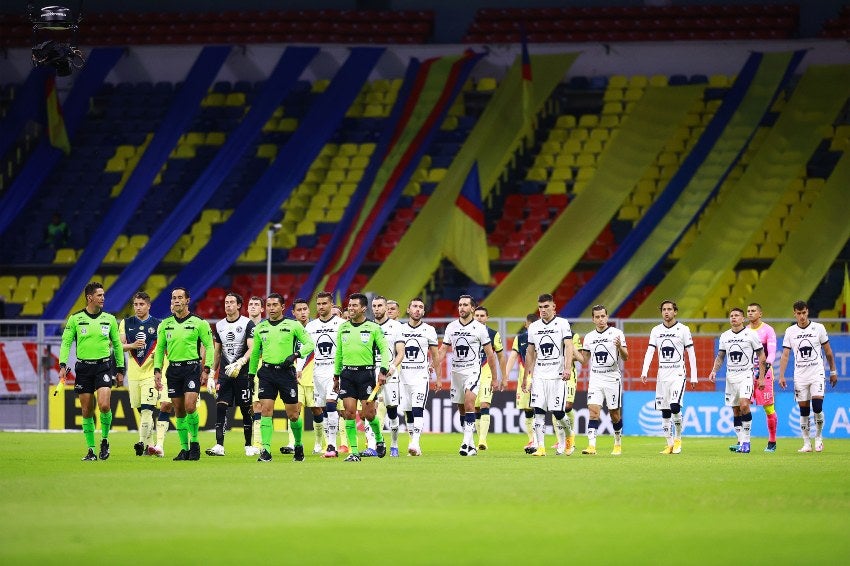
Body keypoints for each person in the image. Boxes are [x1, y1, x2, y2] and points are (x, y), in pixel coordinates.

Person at [59, 281, 124, 461]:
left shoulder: (109, 319)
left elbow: (117, 345)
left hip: (103, 366)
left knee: (104, 405)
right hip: (84, 368)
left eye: (103, 295)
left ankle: (104, 440)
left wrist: (120, 369)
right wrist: (62, 365)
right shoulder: (75, 319)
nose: (103, 298)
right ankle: (91, 449)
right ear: (90, 297)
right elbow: (65, 343)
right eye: (100, 295)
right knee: (87, 410)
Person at [248, 293, 315, 462]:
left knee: (293, 415)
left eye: (274, 305)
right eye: (268, 305)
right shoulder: (260, 328)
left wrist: (295, 355)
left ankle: (298, 445)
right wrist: (250, 375)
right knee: (265, 410)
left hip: (286, 373)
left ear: (282, 307)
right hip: (267, 373)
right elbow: (255, 353)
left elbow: (310, 344)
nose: (271, 308)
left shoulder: (293, 325)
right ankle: (266, 450)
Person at [153, 287, 214, 461]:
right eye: (174, 298)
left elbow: (209, 346)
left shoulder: (199, 323)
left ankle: (194, 443)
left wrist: (207, 368)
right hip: (173, 370)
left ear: (188, 300)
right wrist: (157, 370)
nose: (176, 300)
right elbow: (159, 349)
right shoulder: (165, 324)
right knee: (178, 410)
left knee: (189, 406)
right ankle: (184, 448)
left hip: (192, 368)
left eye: (180, 297)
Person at [333, 293, 391, 462]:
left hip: (366, 375)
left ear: (364, 308)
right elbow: (339, 354)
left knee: (369, 414)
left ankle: (379, 440)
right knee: (349, 413)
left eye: (354, 306)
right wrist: (336, 376)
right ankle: (354, 452)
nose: (351, 308)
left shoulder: (373, 328)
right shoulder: (343, 328)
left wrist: (383, 371)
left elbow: (384, 350)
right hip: (347, 375)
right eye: (349, 305)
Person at [440, 294, 498, 457]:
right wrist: (434, 364)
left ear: (472, 308)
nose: (462, 308)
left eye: (465, 305)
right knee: (462, 409)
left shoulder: (480, 328)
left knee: (470, 402)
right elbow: (443, 349)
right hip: (456, 372)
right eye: (459, 305)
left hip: (473, 371)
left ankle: (465, 444)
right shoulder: (451, 327)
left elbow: (490, 354)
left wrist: (494, 378)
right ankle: (471, 444)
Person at [777, 300, 839, 453]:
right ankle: (806, 443)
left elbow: (828, 352)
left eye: (804, 313)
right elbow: (785, 355)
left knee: (817, 407)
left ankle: (818, 437)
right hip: (800, 376)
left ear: (807, 311)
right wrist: (781, 375)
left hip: (817, 373)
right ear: (794, 314)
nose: (802, 316)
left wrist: (833, 371)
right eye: (798, 314)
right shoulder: (790, 331)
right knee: (803, 411)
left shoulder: (818, 328)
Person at [640, 300, 698, 455]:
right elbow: (650, 351)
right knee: (664, 411)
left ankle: (678, 439)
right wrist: (644, 371)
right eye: (664, 309)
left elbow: (691, 353)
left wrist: (694, 376)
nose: (666, 312)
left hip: (678, 374)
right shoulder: (656, 330)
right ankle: (669, 444)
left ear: (675, 311)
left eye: (669, 309)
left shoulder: (683, 329)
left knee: (674, 406)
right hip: (662, 375)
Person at [522, 294, 574, 457]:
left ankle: (569, 436)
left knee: (558, 413)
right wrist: (526, 376)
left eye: (546, 306)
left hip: (557, 375)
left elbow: (568, 347)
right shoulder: (534, 327)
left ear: (554, 307)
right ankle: (541, 447)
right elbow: (530, 352)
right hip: (539, 375)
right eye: (540, 307)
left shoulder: (562, 323)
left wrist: (567, 368)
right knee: (538, 411)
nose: (543, 310)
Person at [708, 307, 766, 454]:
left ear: (743, 319)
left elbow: (761, 356)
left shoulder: (751, 334)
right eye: (731, 315)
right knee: (735, 410)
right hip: (730, 377)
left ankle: (747, 442)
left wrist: (761, 377)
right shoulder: (725, 336)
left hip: (746, 375)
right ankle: (740, 441)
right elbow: (720, 356)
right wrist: (714, 371)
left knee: (744, 405)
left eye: (737, 315)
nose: (734, 317)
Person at [206, 292, 255, 457]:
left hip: (242, 374)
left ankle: (248, 445)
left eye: (232, 302)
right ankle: (219, 445)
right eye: (226, 302)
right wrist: (212, 373)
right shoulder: (219, 325)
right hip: (226, 375)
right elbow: (217, 351)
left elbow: (252, 347)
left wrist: (241, 362)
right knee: (221, 407)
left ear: (239, 305)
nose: (228, 305)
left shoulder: (247, 323)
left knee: (245, 409)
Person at [297, 292, 344, 458]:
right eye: (319, 304)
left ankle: (332, 445)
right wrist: (299, 368)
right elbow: (306, 350)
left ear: (331, 305)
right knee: (323, 409)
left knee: (331, 405)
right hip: (318, 373)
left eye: (325, 303)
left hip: (335, 372)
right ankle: (328, 443)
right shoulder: (311, 327)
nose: (321, 307)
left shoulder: (342, 324)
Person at [576, 305, 628, 455]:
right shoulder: (589, 337)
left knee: (614, 414)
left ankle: (617, 442)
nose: (600, 319)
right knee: (593, 412)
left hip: (612, 378)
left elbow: (626, 357)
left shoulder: (617, 333)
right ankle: (591, 446)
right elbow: (584, 360)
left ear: (607, 316)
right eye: (597, 317)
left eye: (603, 316)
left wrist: (619, 347)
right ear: (593, 319)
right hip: (596, 378)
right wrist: (572, 351)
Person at [280, 298, 327, 456]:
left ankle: (319, 443)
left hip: (314, 375)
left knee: (316, 409)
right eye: (298, 310)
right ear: (293, 313)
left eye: (305, 309)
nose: (302, 312)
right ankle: (293, 443)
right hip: (294, 377)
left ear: (309, 311)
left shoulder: (315, 328)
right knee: (294, 409)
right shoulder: (288, 329)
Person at [118, 291, 161, 456]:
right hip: (134, 373)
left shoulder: (158, 324)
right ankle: (150, 445)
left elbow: (162, 346)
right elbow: (119, 345)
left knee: (147, 410)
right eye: (135, 304)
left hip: (150, 373)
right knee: (140, 409)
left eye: (141, 304)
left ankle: (141, 442)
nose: (138, 307)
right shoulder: (126, 323)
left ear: (148, 306)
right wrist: (132, 346)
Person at [397, 297, 441, 455]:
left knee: (418, 409)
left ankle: (415, 442)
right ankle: (413, 443)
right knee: (408, 411)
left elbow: (435, 355)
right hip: (403, 377)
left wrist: (439, 378)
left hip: (420, 376)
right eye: (414, 306)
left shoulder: (429, 329)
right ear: (408, 310)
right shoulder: (400, 329)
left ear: (423, 311)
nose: (417, 309)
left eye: (420, 307)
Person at [370, 295, 404, 457]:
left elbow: (400, 353)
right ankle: (373, 445)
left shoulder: (396, 327)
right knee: (369, 408)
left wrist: (391, 368)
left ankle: (395, 444)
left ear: (385, 308)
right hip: (370, 372)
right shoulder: (368, 326)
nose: (377, 309)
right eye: (374, 306)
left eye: (379, 306)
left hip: (390, 373)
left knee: (392, 410)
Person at [472, 306, 507, 450]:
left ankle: (482, 440)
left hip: (487, 375)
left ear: (487, 318)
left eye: (482, 316)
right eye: (477, 315)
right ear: (473, 316)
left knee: (485, 404)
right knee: (475, 408)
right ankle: (480, 439)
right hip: (471, 375)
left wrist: (503, 377)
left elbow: (500, 356)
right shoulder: (467, 333)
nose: (479, 318)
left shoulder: (493, 334)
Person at [747, 302, 779, 452]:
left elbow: (772, 353)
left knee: (768, 408)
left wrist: (764, 369)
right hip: (746, 374)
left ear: (760, 314)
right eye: (748, 311)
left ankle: (772, 441)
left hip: (764, 373)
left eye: (753, 311)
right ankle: (743, 442)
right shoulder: (744, 331)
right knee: (742, 406)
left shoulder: (768, 330)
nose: (750, 313)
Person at [505, 313, 538, 453]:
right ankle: (532, 439)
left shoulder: (541, 337)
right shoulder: (520, 338)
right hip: (524, 378)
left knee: (540, 409)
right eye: (530, 325)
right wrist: (505, 374)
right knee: (527, 409)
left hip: (539, 377)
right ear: (526, 325)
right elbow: (513, 356)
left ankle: (562, 439)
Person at [245, 296, 264, 456]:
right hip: (245, 370)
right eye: (250, 304)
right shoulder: (242, 325)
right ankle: (255, 442)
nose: (253, 307)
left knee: (259, 405)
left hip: (263, 367)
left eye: (256, 304)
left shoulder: (266, 326)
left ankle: (258, 443)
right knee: (251, 407)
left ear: (262, 309)